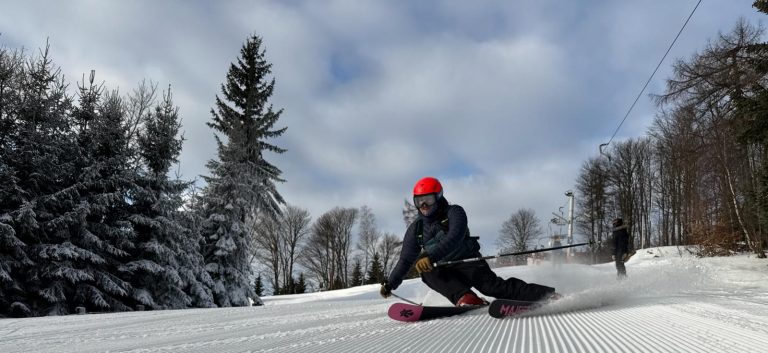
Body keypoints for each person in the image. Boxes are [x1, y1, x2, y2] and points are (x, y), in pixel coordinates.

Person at [380, 177, 559, 306]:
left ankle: (546, 295)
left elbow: (455, 237)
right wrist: (391, 282)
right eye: (419, 201)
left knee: (492, 288)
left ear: (439, 196)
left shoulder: (454, 212)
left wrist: (430, 254)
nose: (424, 206)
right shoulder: (416, 229)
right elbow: (405, 260)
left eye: (428, 200)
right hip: (445, 270)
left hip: (469, 263)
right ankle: (466, 298)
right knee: (427, 273)